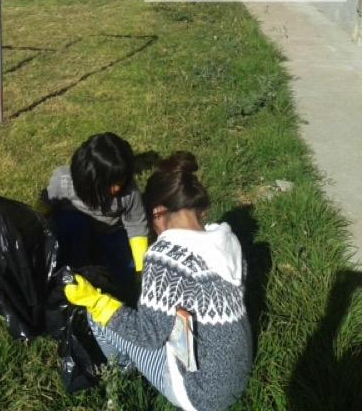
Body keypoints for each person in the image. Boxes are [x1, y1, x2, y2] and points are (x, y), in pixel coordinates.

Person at [63, 151, 253, 410]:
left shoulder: (165, 256)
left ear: (158, 213)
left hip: (200, 395)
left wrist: (97, 302)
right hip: (238, 378)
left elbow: (147, 335)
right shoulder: (228, 240)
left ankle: (118, 385)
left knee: (96, 319)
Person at [36, 132, 149, 303]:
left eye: (122, 179)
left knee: (124, 278)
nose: (118, 187)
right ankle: (76, 271)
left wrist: (141, 272)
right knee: (70, 224)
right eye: (112, 182)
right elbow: (44, 206)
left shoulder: (129, 192)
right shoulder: (64, 181)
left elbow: (137, 228)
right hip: (74, 230)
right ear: (89, 179)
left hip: (109, 232)